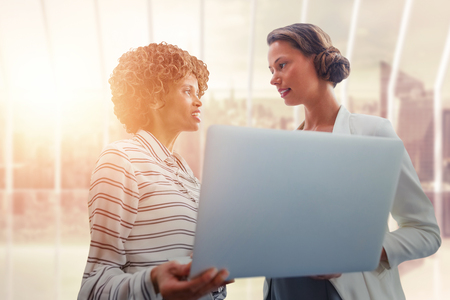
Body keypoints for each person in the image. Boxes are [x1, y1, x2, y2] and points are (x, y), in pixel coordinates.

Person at [264, 23, 441, 300]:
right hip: (282, 289)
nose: (274, 78)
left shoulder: (373, 133)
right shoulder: (282, 149)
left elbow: (426, 232)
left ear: (317, 61)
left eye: (282, 65)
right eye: (271, 70)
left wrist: (356, 253)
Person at [78, 42, 230, 300]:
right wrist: (153, 282)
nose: (198, 100)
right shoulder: (120, 160)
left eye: (198, 91)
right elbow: (94, 286)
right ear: (155, 96)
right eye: (187, 90)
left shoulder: (187, 174)